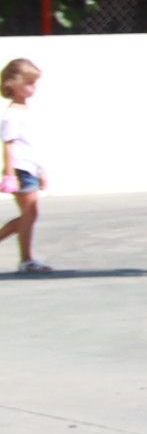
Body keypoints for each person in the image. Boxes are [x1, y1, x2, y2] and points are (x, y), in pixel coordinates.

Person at [1, 56, 48, 275]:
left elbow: (33, 145)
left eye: (34, 83)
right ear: (13, 84)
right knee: (29, 214)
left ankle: (26, 259)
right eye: (29, 83)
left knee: (30, 214)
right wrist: (10, 174)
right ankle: (26, 259)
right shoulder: (12, 115)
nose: (33, 88)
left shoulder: (25, 111)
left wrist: (41, 170)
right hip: (21, 171)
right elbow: (9, 145)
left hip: (30, 169)